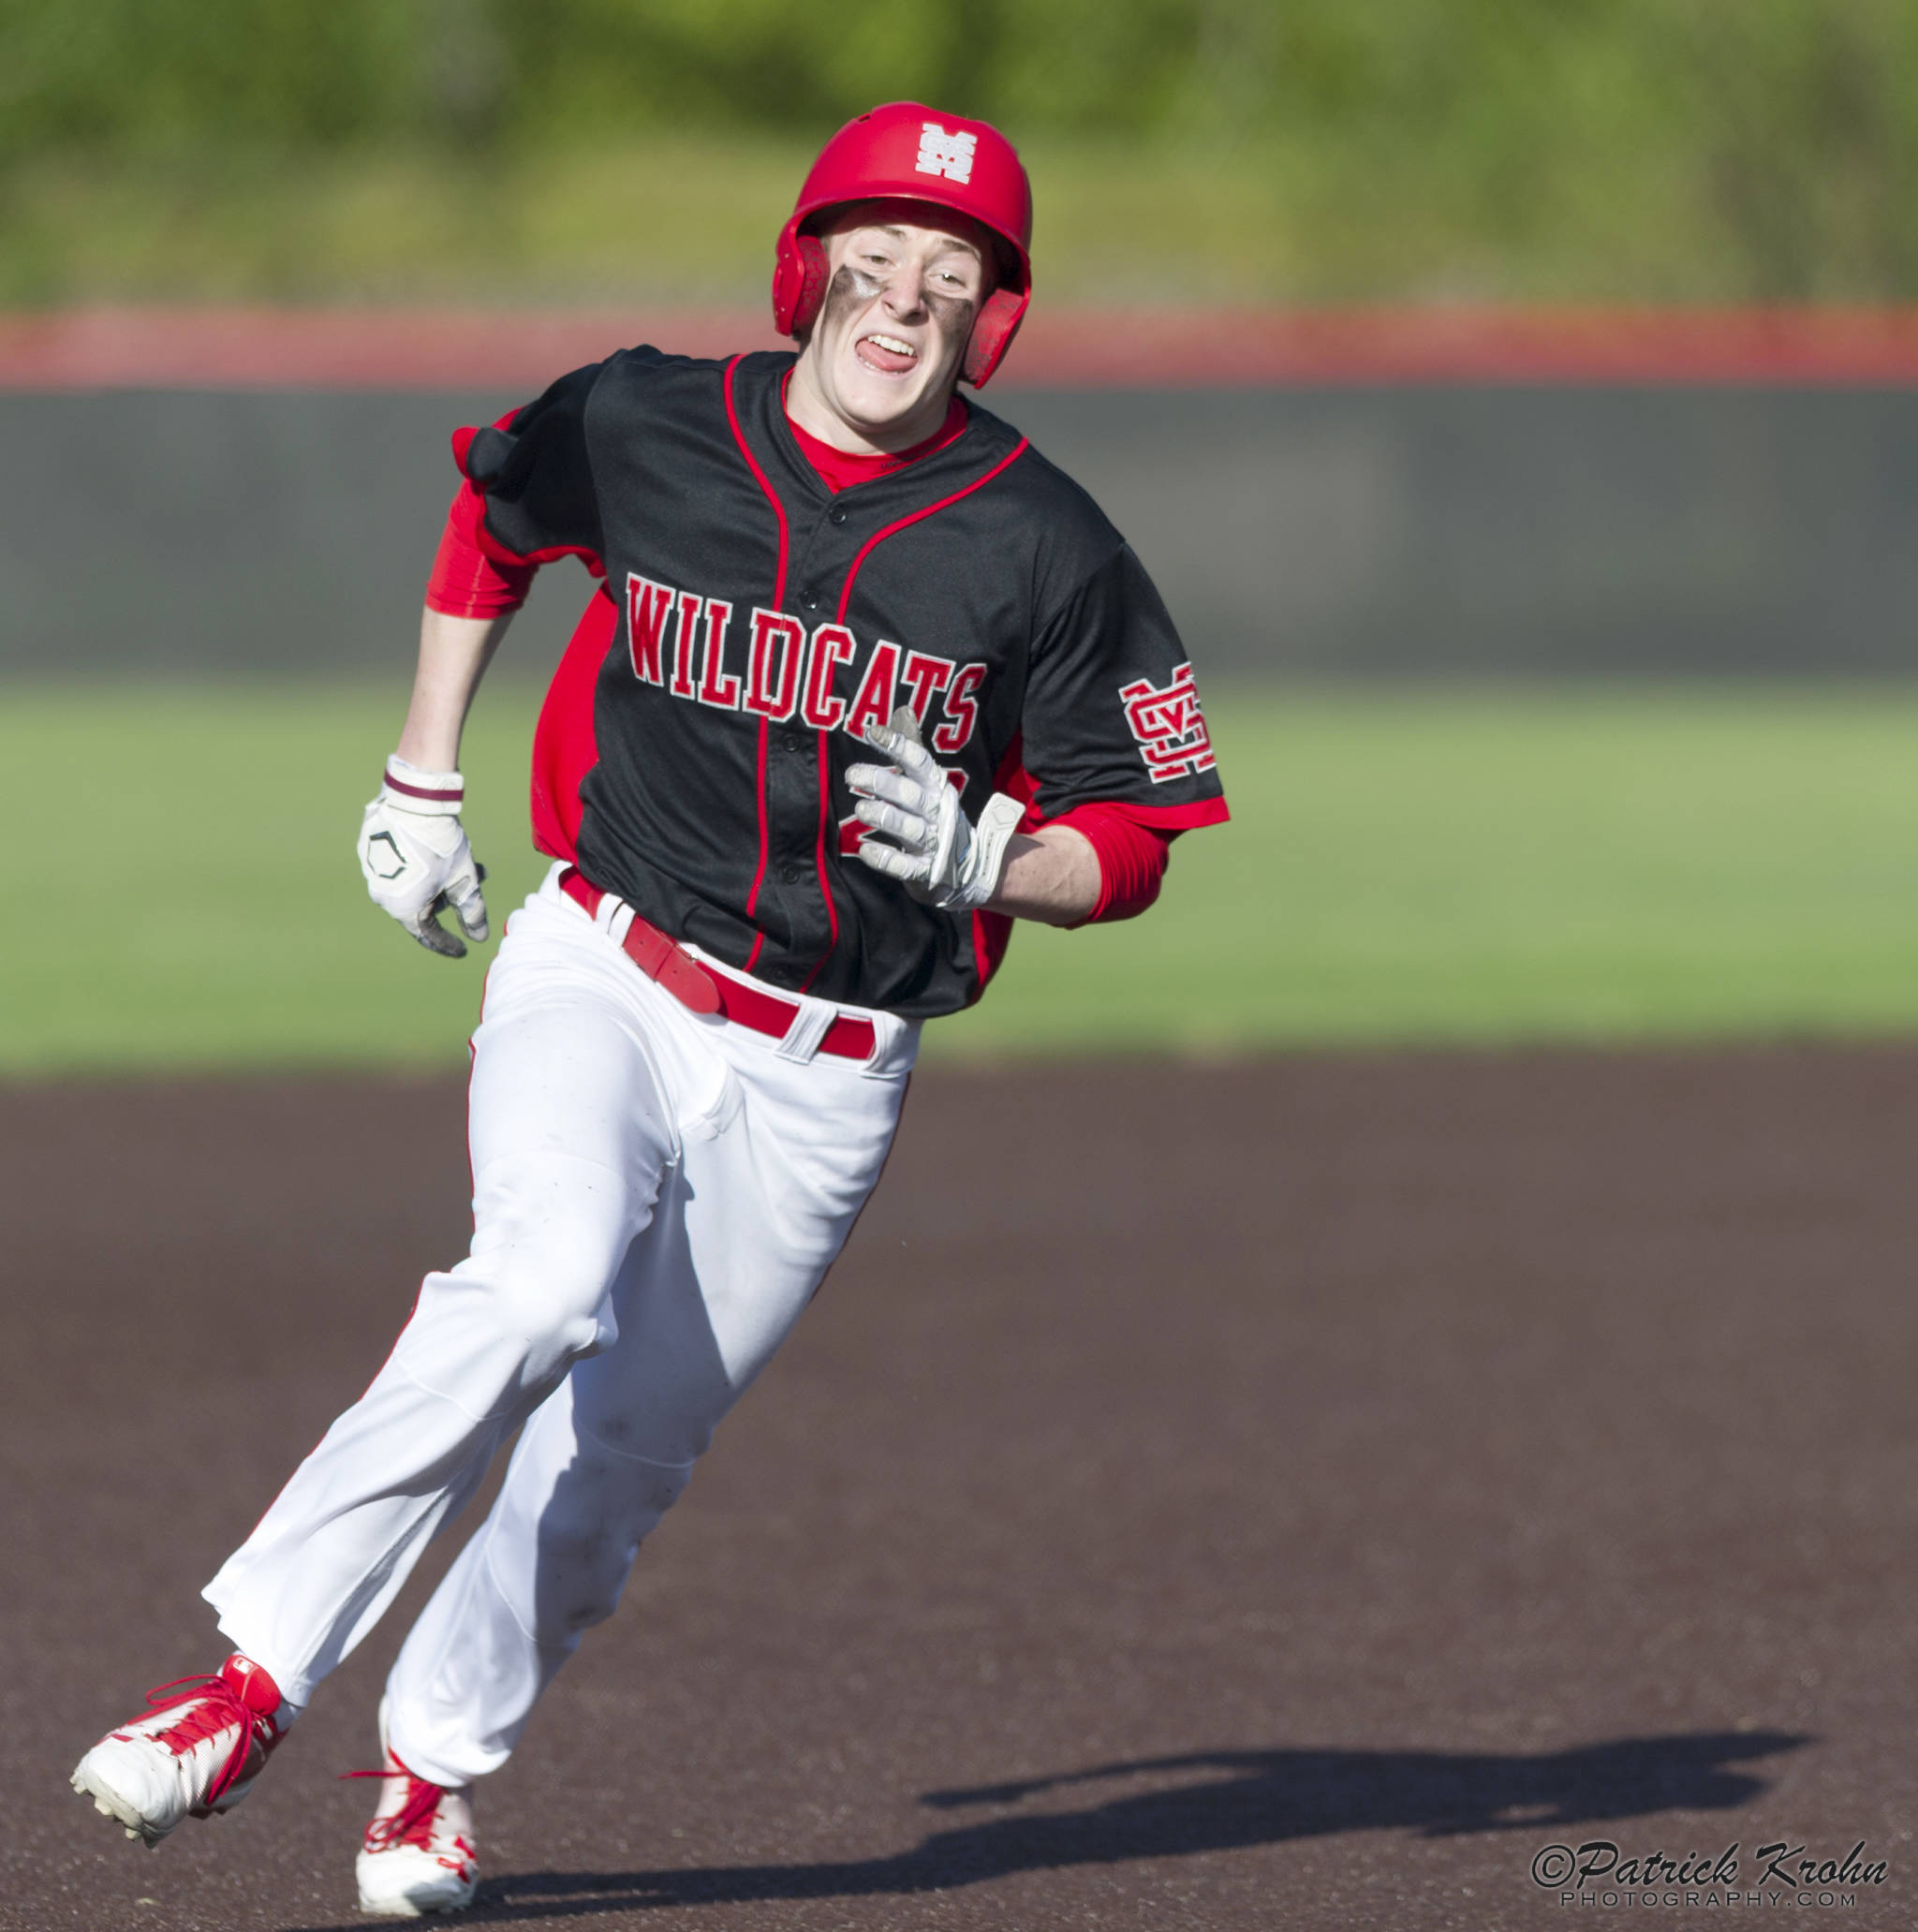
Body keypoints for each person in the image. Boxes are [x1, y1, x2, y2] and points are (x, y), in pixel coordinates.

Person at [68, 101, 1229, 1917]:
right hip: (605, 964)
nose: (903, 296)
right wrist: (422, 777)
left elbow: (1143, 834)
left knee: (621, 1458)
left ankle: (429, 1784)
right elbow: (494, 506)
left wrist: (1007, 854)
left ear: (989, 315)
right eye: (874, 255)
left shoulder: (1042, 545)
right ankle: (250, 1683)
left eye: (950, 272)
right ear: (808, 263)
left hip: (830, 1065)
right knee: (537, 1284)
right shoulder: (648, 417)